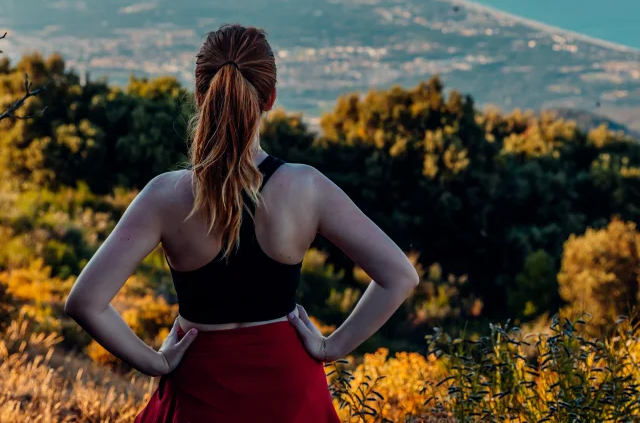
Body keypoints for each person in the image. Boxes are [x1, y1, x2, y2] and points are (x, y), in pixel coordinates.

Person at [64, 23, 420, 423]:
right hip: (290, 394)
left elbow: (84, 302)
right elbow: (399, 277)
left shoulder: (163, 197)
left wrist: (156, 362)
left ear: (200, 96)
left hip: (199, 391)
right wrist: (331, 347)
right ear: (270, 99)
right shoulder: (307, 187)